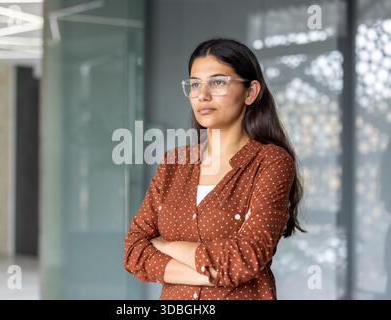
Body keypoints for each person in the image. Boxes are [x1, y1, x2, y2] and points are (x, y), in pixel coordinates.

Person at [123, 38, 305, 300]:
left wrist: (167, 246)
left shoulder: (271, 162)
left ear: (250, 92)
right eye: (195, 84)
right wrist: (214, 273)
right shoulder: (174, 163)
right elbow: (133, 251)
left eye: (218, 82)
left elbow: (245, 259)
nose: (202, 95)